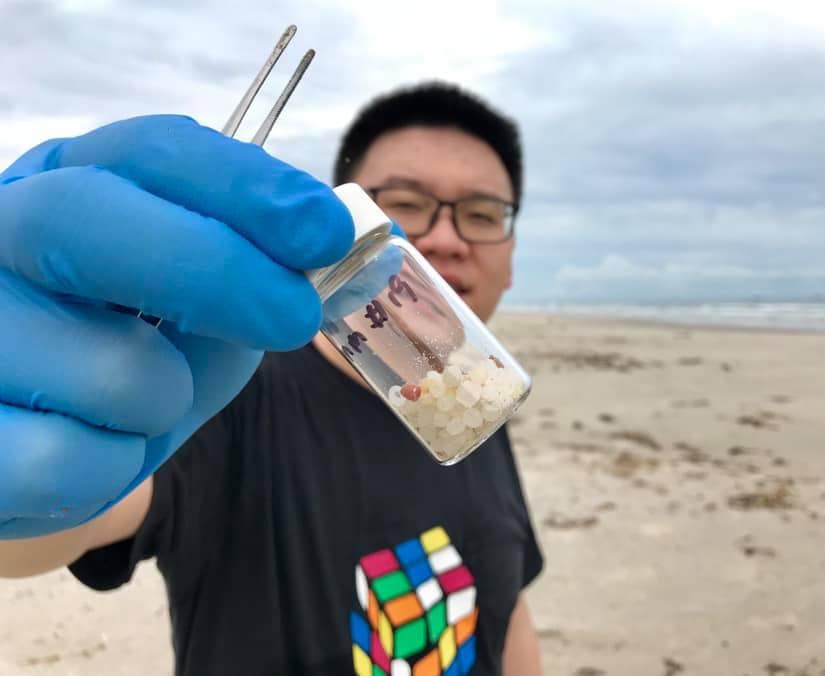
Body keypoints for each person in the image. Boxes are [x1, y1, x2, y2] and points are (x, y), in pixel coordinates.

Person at [0, 82, 543, 675]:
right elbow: (51, 529)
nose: (446, 238)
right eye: (409, 204)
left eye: (483, 214)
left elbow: (504, 602)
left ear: (512, 258)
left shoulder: (471, 403)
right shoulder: (220, 389)